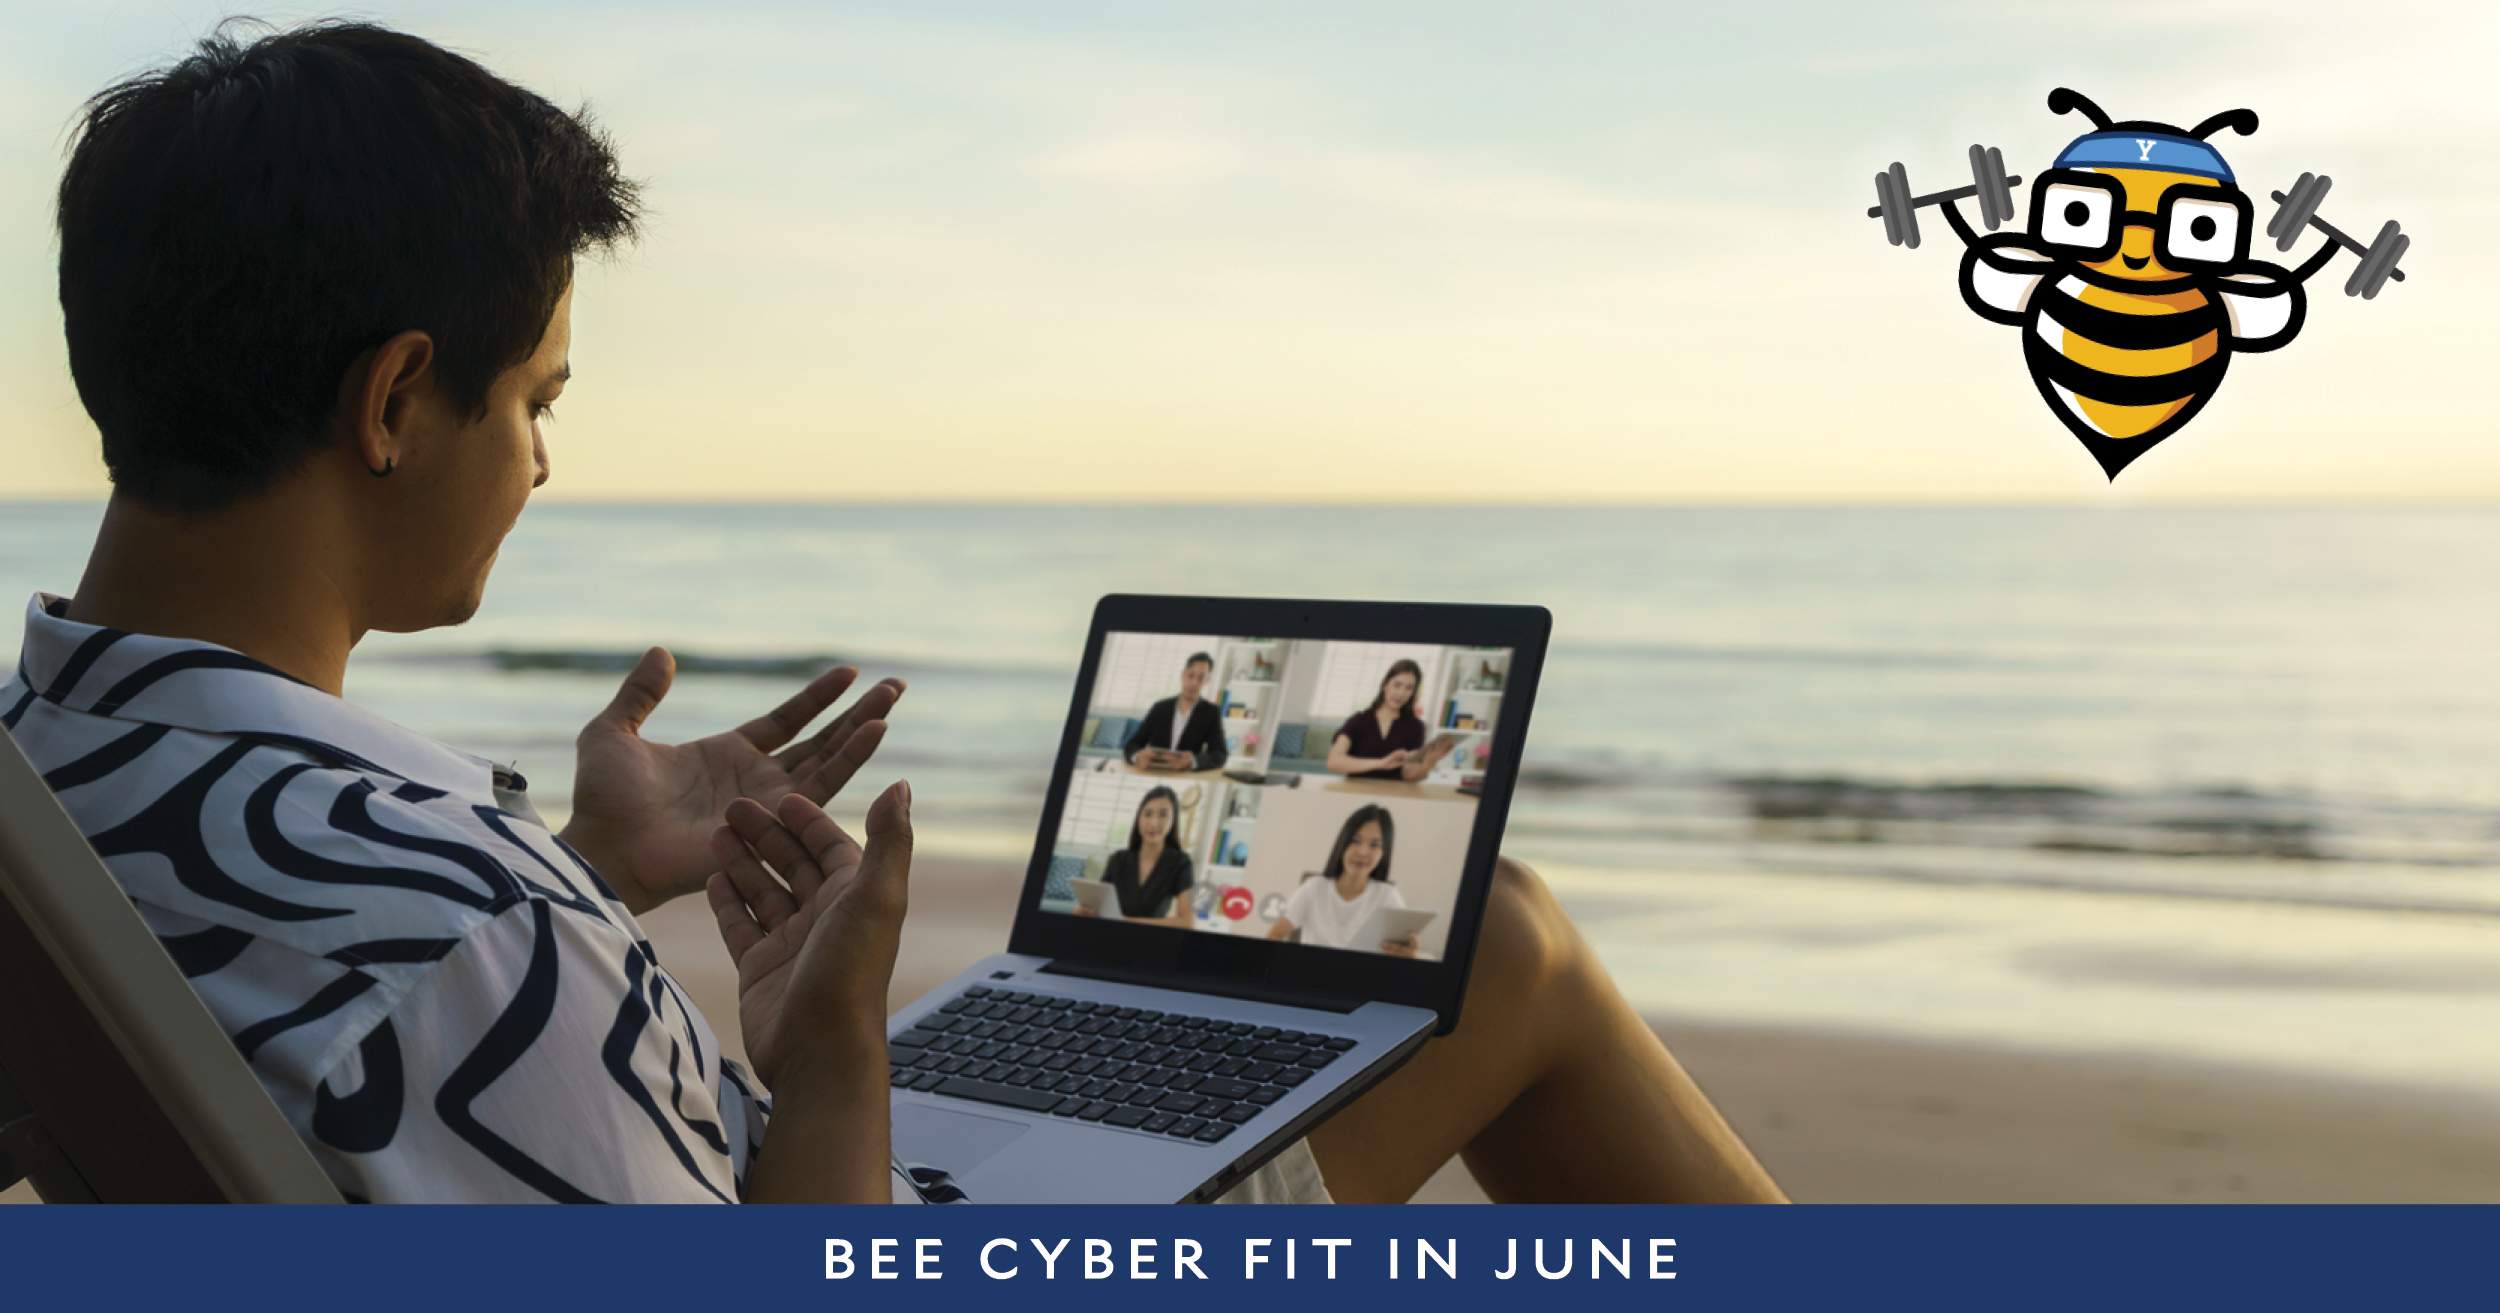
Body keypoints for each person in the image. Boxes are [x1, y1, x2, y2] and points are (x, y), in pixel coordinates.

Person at [7, 19, 1786, 1206]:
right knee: (1503, 946)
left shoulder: (49, 785)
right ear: (397, 400)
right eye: (538, 395)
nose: (544, 459)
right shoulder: (467, 930)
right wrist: (831, 1053)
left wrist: (587, 873)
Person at [1263, 804, 1419, 956]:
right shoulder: (1314, 888)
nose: (1363, 852)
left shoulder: (1387, 895)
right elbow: (1275, 935)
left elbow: (1404, 951)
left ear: (1383, 853)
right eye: (1355, 841)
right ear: (1343, 842)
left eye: (1374, 845)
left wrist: (1410, 955)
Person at [1071, 786, 1195, 927]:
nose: (1153, 823)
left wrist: (1123, 920)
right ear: (1138, 819)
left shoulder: (1181, 862)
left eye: (1163, 815)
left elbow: (1188, 922)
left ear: (1173, 820)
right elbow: (1099, 909)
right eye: (1147, 814)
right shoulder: (1118, 859)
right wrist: (1084, 913)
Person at [1327, 658, 1453, 782]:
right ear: (1384, 684)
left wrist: (1428, 763)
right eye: (1397, 685)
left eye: (1409, 688)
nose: (1401, 693)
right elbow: (1333, 762)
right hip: (1355, 794)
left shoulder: (1415, 727)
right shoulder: (1358, 721)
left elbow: (1407, 774)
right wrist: (1381, 763)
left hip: (1394, 796)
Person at [1121, 651, 1227, 771]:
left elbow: (1220, 754)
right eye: (1191, 675)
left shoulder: (1211, 713)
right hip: (1154, 771)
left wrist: (1192, 762)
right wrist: (1138, 756)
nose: (1194, 683)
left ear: (1207, 681)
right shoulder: (1159, 708)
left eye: (1201, 678)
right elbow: (1133, 744)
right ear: (1182, 675)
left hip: (1185, 775)